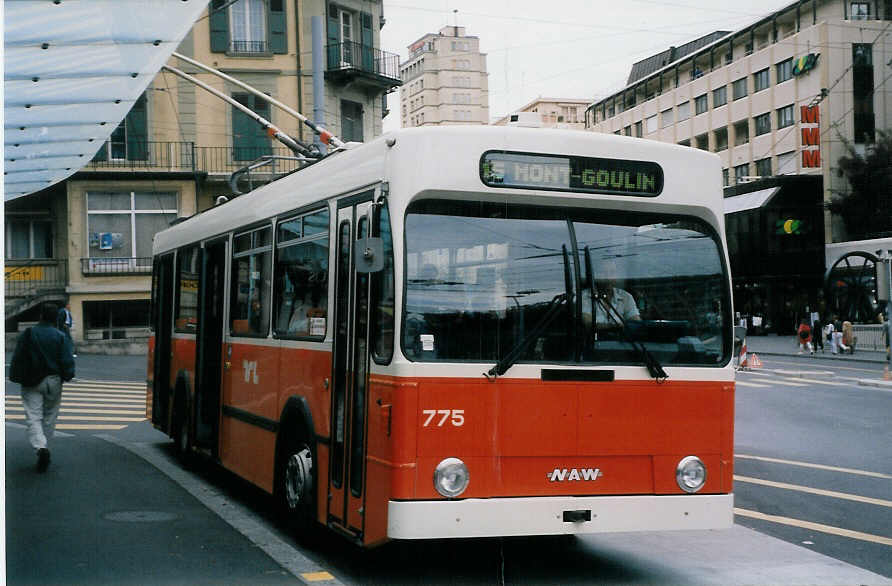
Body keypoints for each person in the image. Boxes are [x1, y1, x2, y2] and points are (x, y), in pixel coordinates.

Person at [9, 302, 76, 473]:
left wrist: (16, 376)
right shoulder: (60, 336)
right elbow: (67, 360)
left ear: (40, 316)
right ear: (56, 318)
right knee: (50, 416)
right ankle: (45, 444)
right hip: (54, 380)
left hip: (32, 380)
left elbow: (18, 357)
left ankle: (40, 447)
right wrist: (67, 375)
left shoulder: (29, 333)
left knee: (33, 415)